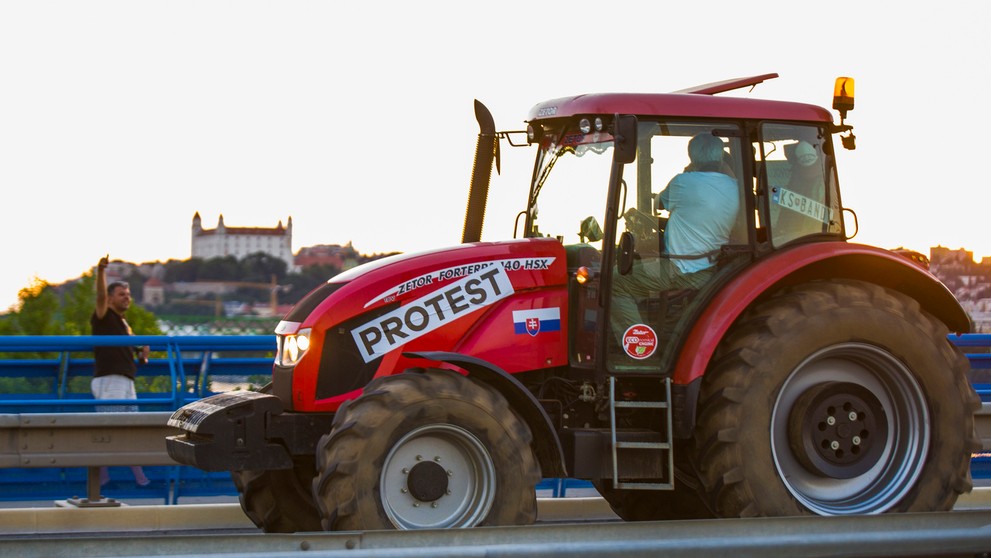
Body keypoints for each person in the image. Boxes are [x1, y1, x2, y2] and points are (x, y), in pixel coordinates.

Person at [610, 133, 740, 346]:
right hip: (710, 268)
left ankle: (639, 347)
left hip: (680, 270)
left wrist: (688, 172)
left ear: (692, 158)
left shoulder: (683, 182)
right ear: (720, 157)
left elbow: (660, 204)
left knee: (615, 281)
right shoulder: (735, 186)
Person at [92, 254, 151, 487]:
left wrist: (143, 352)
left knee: (129, 428)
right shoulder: (103, 316)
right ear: (109, 299)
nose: (126, 297)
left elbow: (137, 345)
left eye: (128, 294)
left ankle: (138, 478)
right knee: (110, 427)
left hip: (125, 379)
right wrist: (101, 271)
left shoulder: (123, 323)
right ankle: (102, 479)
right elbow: (99, 295)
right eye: (121, 294)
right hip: (110, 378)